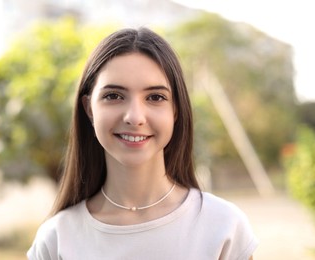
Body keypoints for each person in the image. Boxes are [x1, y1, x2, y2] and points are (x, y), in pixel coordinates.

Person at [27, 27, 258, 260]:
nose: (135, 117)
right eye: (114, 96)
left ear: (175, 110)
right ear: (89, 109)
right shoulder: (56, 240)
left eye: (155, 97)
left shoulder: (224, 228)